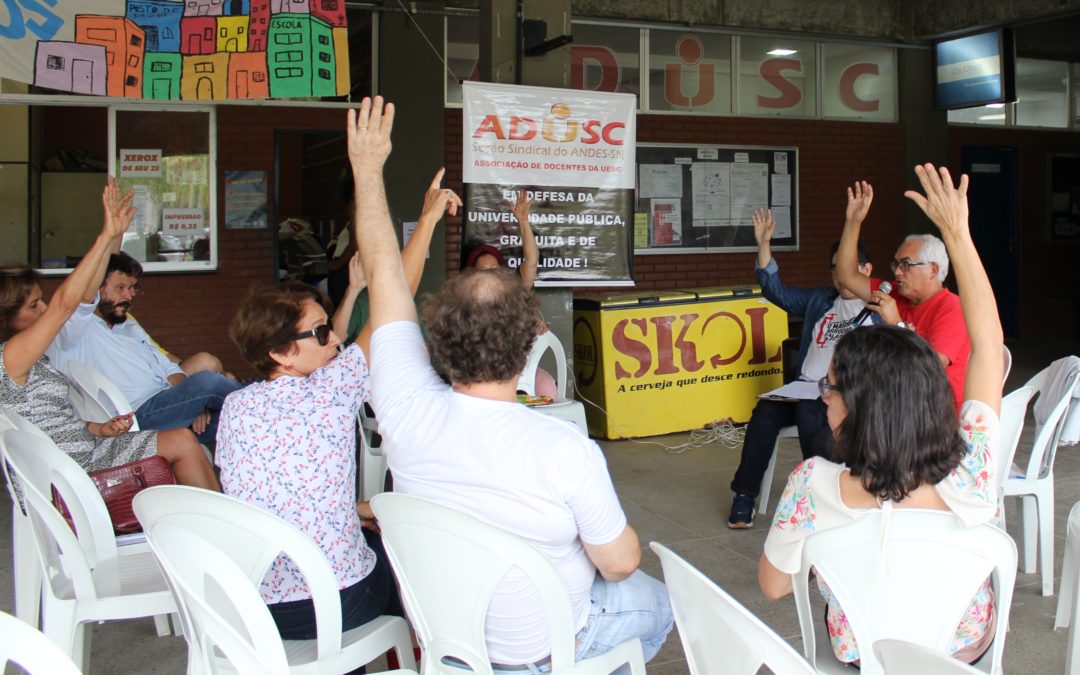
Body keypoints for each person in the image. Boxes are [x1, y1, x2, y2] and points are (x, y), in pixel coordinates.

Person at [347, 96, 673, 670]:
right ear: (528, 348)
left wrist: (368, 170)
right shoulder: (563, 449)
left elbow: (383, 272)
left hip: (449, 641)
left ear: (437, 338)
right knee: (657, 602)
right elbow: (619, 563)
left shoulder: (403, 405)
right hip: (542, 649)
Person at [758, 164, 1004, 665]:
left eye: (831, 387)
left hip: (860, 658)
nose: (823, 395)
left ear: (860, 406)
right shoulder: (974, 472)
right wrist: (959, 231)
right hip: (957, 657)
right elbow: (990, 345)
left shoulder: (811, 485)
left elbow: (773, 586)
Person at [216, 256, 410, 637]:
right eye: (322, 333)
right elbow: (391, 304)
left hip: (254, 606)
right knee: (404, 564)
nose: (336, 338)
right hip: (327, 604)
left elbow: (272, 491)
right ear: (281, 353)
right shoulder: (329, 392)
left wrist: (348, 510)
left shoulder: (235, 406)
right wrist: (429, 221)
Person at [0, 180, 218, 490]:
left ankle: (221, 521)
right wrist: (105, 236)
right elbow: (67, 303)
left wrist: (97, 428)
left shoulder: (32, 355)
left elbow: (49, 420)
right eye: (35, 304)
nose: (44, 308)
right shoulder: (11, 358)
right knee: (185, 441)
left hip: (86, 450)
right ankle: (218, 527)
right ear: (6, 315)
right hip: (72, 472)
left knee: (185, 438)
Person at [727, 205, 876, 529]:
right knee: (764, 413)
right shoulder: (820, 300)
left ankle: (818, 499)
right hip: (803, 386)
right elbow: (774, 290)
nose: (841, 276)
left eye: (848, 267)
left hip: (842, 394)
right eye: (835, 269)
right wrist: (764, 244)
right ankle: (744, 495)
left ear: (866, 269)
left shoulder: (879, 309)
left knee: (811, 416)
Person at [46, 252, 242, 445]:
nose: (129, 295)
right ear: (96, 289)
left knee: (236, 423)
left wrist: (196, 405)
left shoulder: (128, 325)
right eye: (120, 287)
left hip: (167, 406)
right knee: (207, 381)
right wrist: (108, 235)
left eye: (132, 288)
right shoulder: (75, 331)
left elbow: (169, 369)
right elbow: (80, 297)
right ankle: (265, 398)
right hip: (135, 417)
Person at [834, 181, 970, 410]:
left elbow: (928, 369)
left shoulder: (952, 308)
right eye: (896, 264)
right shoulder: (895, 292)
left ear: (933, 270)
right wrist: (853, 222)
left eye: (906, 264)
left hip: (936, 411)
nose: (897, 272)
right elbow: (846, 275)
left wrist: (895, 323)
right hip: (898, 401)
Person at [342, 167, 463, 345]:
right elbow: (398, 294)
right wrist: (428, 219)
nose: (330, 340)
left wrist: (428, 219)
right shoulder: (362, 304)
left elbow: (398, 295)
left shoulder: (353, 364)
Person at [465, 190, 540, 289]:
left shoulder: (512, 292)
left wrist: (523, 221)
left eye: (493, 268)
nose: (490, 274)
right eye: (483, 270)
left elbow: (532, 261)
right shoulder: (466, 299)